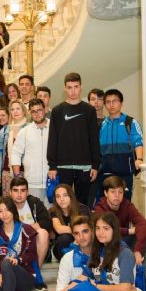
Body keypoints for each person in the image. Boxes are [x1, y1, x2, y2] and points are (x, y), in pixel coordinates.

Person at [47, 72, 101, 206]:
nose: (73, 91)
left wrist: (95, 165)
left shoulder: (89, 110)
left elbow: (94, 138)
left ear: (81, 87)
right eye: (69, 87)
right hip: (62, 166)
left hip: (85, 166)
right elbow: (53, 139)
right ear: (64, 88)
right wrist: (52, 165)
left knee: (83, 204)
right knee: (64, 204)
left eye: (76, 87)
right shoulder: (57, 110)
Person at [96, 89, 144, 202]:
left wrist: (140, 159)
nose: (111, 105)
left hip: (125, 172)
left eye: (115, 101)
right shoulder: (101, 125)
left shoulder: (130, 122)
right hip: (105, 173)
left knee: (124, 205)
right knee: (104, 205)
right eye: (108, 102)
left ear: (121, 103)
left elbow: (138, 142)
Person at [94, 176, 146, 265]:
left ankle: (131, 265)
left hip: (121, 240)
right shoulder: (100, 208)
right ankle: (118, 265)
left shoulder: (127, 205)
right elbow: (108, 229)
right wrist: (128, 231)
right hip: (106, 242)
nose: (117, 195)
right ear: (106, 193)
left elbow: (145, 226)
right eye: (113, 192)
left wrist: (137, 250)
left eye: (120, 192)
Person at [8, 177, 52, 291]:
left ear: (27, 192)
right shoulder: (5, 204)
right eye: (15, 190)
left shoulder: (35, 203)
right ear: (10, 192)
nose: (19, 194)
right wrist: (30, 226)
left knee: (43, 232)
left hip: (31, 243)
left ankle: (35, 271)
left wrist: (35, 227)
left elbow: (47, 223)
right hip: (12, 242)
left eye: (23, 190)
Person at [11, 98, 50, 205]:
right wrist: (17, 176)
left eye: (39, 110)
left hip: (52, 180)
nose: (37, 114)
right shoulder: (25, 131)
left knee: (53, 214)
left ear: (45, 109)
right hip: (32, 182)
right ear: (29, 113)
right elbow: (16, 153)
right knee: (34, 214)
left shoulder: (55, 127)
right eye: (33, 111)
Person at [0, 99, 28, 196]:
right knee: (8, 204)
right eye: (12, 109)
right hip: (8, 173)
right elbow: (0, 156)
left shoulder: (30, 128)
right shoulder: (5, 130)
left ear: (23, 111)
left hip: (26, 172)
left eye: (18, 108)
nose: (15, 111)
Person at [50, 184, 90, 261]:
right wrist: (76, 232)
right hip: (63, 247)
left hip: (82, 243)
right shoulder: (53, 211)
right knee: (64, 238)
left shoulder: (82, 209)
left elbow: (85, 229)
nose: (61, 199)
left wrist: (76, 235)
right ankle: (68, 263)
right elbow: (59, 229)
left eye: (65, 195)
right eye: (58, 196)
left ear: (71, 196)